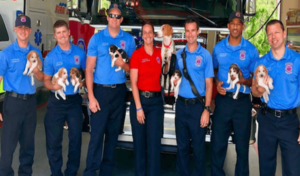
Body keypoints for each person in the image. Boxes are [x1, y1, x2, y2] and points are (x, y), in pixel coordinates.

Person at [83, 3, 136, 176]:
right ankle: (91, 171)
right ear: (107, 17)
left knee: (113, 136)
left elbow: (133, 69)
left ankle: (106, 171)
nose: (114, 18)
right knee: (97, 135)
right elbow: (89, 69)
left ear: (121, 19)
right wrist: (91, 96)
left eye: (117, 16)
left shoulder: (128, 40)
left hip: (119, 91)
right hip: (100, 92)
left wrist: (123, 64)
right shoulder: (96, 39)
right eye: (111, 15)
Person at [211, 11, 259, 176]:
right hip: (223, 101)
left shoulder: (252, 50)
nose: (235, 26)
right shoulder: (218, 48)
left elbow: (256, 80)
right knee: (218, 144)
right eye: (233, 23)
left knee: (242, 147)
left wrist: (243, 81)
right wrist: (217, 84)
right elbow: (214, 71)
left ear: (243, 27)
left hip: (242, 102)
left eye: (239, 23)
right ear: (228, 26)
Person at [251, 19, 300, 176]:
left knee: (293, 170)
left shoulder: (297, 60)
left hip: (290, 121)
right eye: (269, 34)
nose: (273, 37)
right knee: (266, 168)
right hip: (267, 120)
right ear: (267, 37)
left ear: (284, 34)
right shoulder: (261, 62)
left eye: (277, 32)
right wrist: (259, 88)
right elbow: (254, 91)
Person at [0, 15, 44, 176]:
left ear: (30, 30)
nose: (23, 31)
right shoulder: (6, 53)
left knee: (28, 145)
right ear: (15, 29)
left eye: (26, 28)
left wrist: (36, 70)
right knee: (8, 145)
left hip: (30, 103)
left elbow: (40, 78)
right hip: (12, 103)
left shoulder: (36, 53)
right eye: (20, 28)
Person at [43, 20, 86, 176]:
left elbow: (87, 75)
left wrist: (82, 82)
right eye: (58, 33)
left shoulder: (80, 53)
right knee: (54, 141)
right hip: (56, 102)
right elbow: (46, 80)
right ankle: (56, 173)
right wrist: (53, 86)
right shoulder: (50, 57)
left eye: (64, 31)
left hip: (74, 101)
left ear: (69, 33)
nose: (61, 35)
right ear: (55, 35)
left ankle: (71, 172)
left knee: (76, 139)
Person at [174, 18, 214, 176]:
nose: (190, 34)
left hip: (198, 107)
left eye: (193, 30)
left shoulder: (205, 55)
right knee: (182, 147)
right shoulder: (179, 54)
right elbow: (176, 75)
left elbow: (209, 84)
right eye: (187, 31)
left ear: (198, 32)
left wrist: (207, 109)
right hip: (181, 106)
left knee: (198, 148)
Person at [129, 22, 164, 176]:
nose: (148, 35)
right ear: (142, 35)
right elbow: (133, 83)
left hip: (156, 103)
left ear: (154, 34)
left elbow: (167, 70)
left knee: (154, 145)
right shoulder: (137, 54)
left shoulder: (160, 53)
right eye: (145, 32)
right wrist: (138, 108)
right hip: (140, 101)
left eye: (150, 32)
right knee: (140, 144)